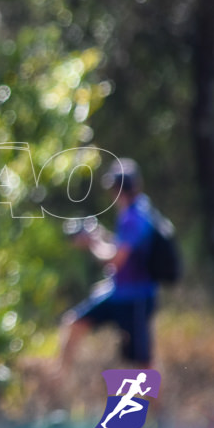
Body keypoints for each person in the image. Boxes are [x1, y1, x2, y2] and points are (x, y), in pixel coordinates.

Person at [58, 158, 158, 369]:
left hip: (134, 298)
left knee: (141, 362)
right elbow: (126, 249)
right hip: (119, 294)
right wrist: (101, 235)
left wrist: (92, 242)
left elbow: (116, 259)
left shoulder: (133, 217)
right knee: (74, 323)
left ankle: (155, 404)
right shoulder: (138, 210)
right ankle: (60, 388)